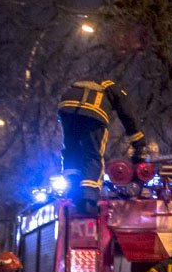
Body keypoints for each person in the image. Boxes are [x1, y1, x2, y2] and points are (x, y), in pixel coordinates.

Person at [57, 78, 151, 215]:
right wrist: (139, 144)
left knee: (71, 150)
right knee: (93, 154)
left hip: (67, 107)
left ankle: (73, 192)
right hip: (93, 109)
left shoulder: (84, 83)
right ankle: (88, 200)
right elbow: (128, 116)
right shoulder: (114, 88)